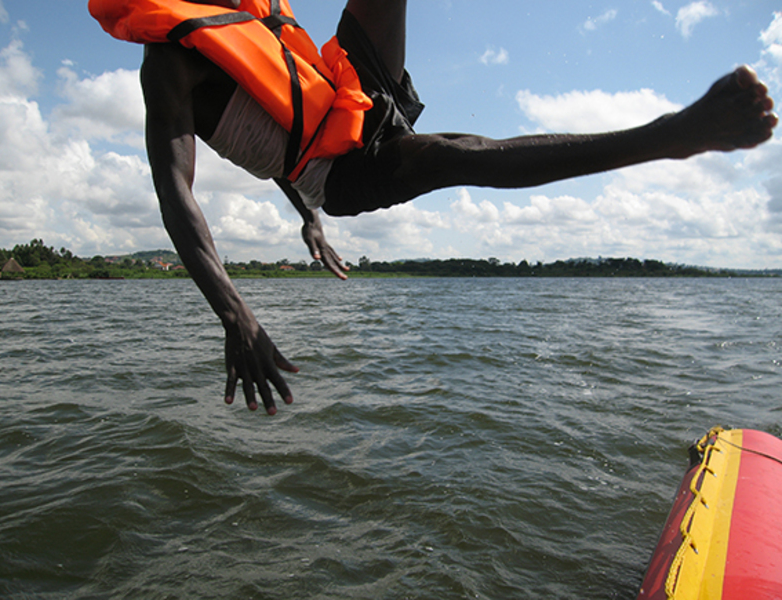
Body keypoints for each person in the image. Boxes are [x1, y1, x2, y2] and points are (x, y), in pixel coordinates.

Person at [134, 0, 777, 415]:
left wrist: (304, 220)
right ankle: (671, 135)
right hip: (340, 173)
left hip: (349, 97)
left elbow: (282, 106)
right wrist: (235, 312)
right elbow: (175, 190)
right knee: (452, 153)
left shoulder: (240, 12)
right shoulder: (168, 61)